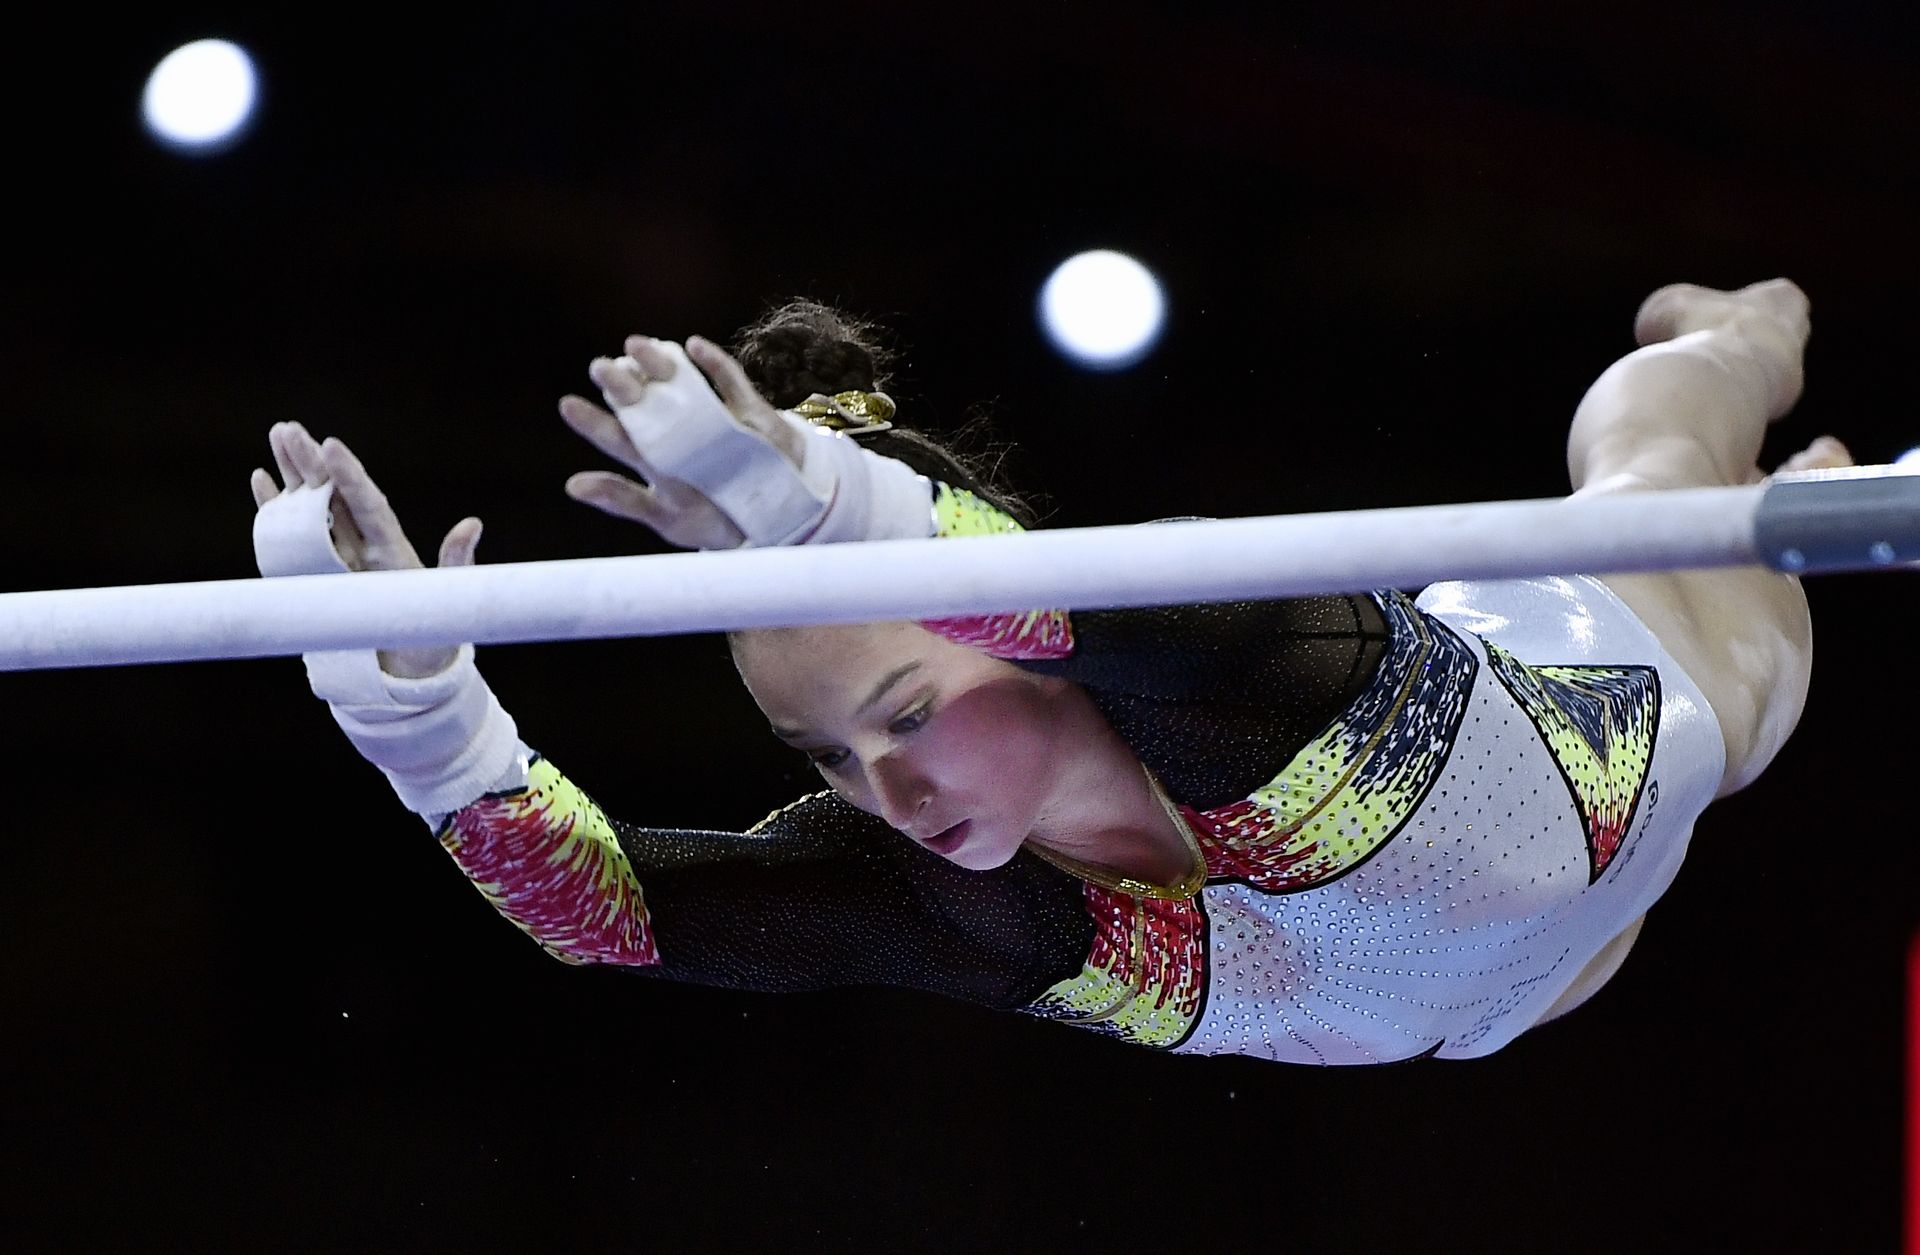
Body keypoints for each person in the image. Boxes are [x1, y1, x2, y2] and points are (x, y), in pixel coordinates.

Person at [249, 283, 1848, 1065]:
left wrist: (817, 501)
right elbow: (616, 923)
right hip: (1521, 974)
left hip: (1626, 731)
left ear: (1023, 645)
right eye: (826, 760)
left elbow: (1078, 601)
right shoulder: (979, 904)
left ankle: (1736, 335)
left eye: (910, 715)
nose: (889, 792)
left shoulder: (1248, 678)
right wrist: (414, 702)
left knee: (1658, 477)